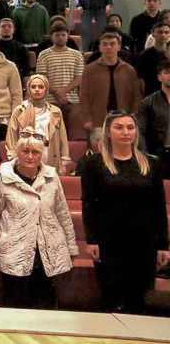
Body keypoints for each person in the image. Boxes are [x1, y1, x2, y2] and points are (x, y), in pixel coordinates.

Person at [79, 111, 170, 314]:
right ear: (108, 132)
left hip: (144, 243)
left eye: (130, 127)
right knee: (110, 298)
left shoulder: (151, 163)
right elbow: (89, 205)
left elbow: (159, 206)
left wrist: (164, 245)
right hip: (109, 242)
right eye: (119, 127)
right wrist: (91, 240)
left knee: (137, 300)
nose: (125, 132)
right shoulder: (93, 164)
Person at [0, 134, 77, 310]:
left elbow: (63, 213)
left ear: (42, 155)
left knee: (45, 310)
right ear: (17, 153)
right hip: (14, 252)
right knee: (14, 309)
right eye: (25, 151)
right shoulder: (1, 178)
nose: (30, 156)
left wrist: (71, 245)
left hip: (46, 252)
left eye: (36, 152)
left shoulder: (52, 177)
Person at [80, 33, 142, 149]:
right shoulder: (90, 69)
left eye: (112, 44)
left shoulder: (129, 70)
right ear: (100, 47)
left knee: (123, 151)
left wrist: (133, 116)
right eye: (105, 44)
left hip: (123, 119)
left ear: (119, 47)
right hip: (98, 121)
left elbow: (136, 96)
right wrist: (86, 119)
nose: (108, 47)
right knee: (100, 152)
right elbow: (84, 95)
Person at [6, 74, 71, 175]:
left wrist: (64, 159)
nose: (37, 90)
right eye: (33, 87)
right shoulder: (19, 111)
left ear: (47, 89)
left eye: (41, 87)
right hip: (27, 154)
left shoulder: (55, 111)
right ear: (28, 89)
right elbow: (11, 137)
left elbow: (62, 137)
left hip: (49, 153)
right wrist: (14, 158)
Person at [35, 23, 83, 116]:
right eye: (57, 35)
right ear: (51, 37)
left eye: (63, 35)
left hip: (72, 100)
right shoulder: (43, 55)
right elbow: (42, 77)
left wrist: (63, 91)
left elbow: (79, 77)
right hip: (49, 100)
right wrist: (55, 92)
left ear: (68, 36)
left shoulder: (77, 55)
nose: (60, 38)